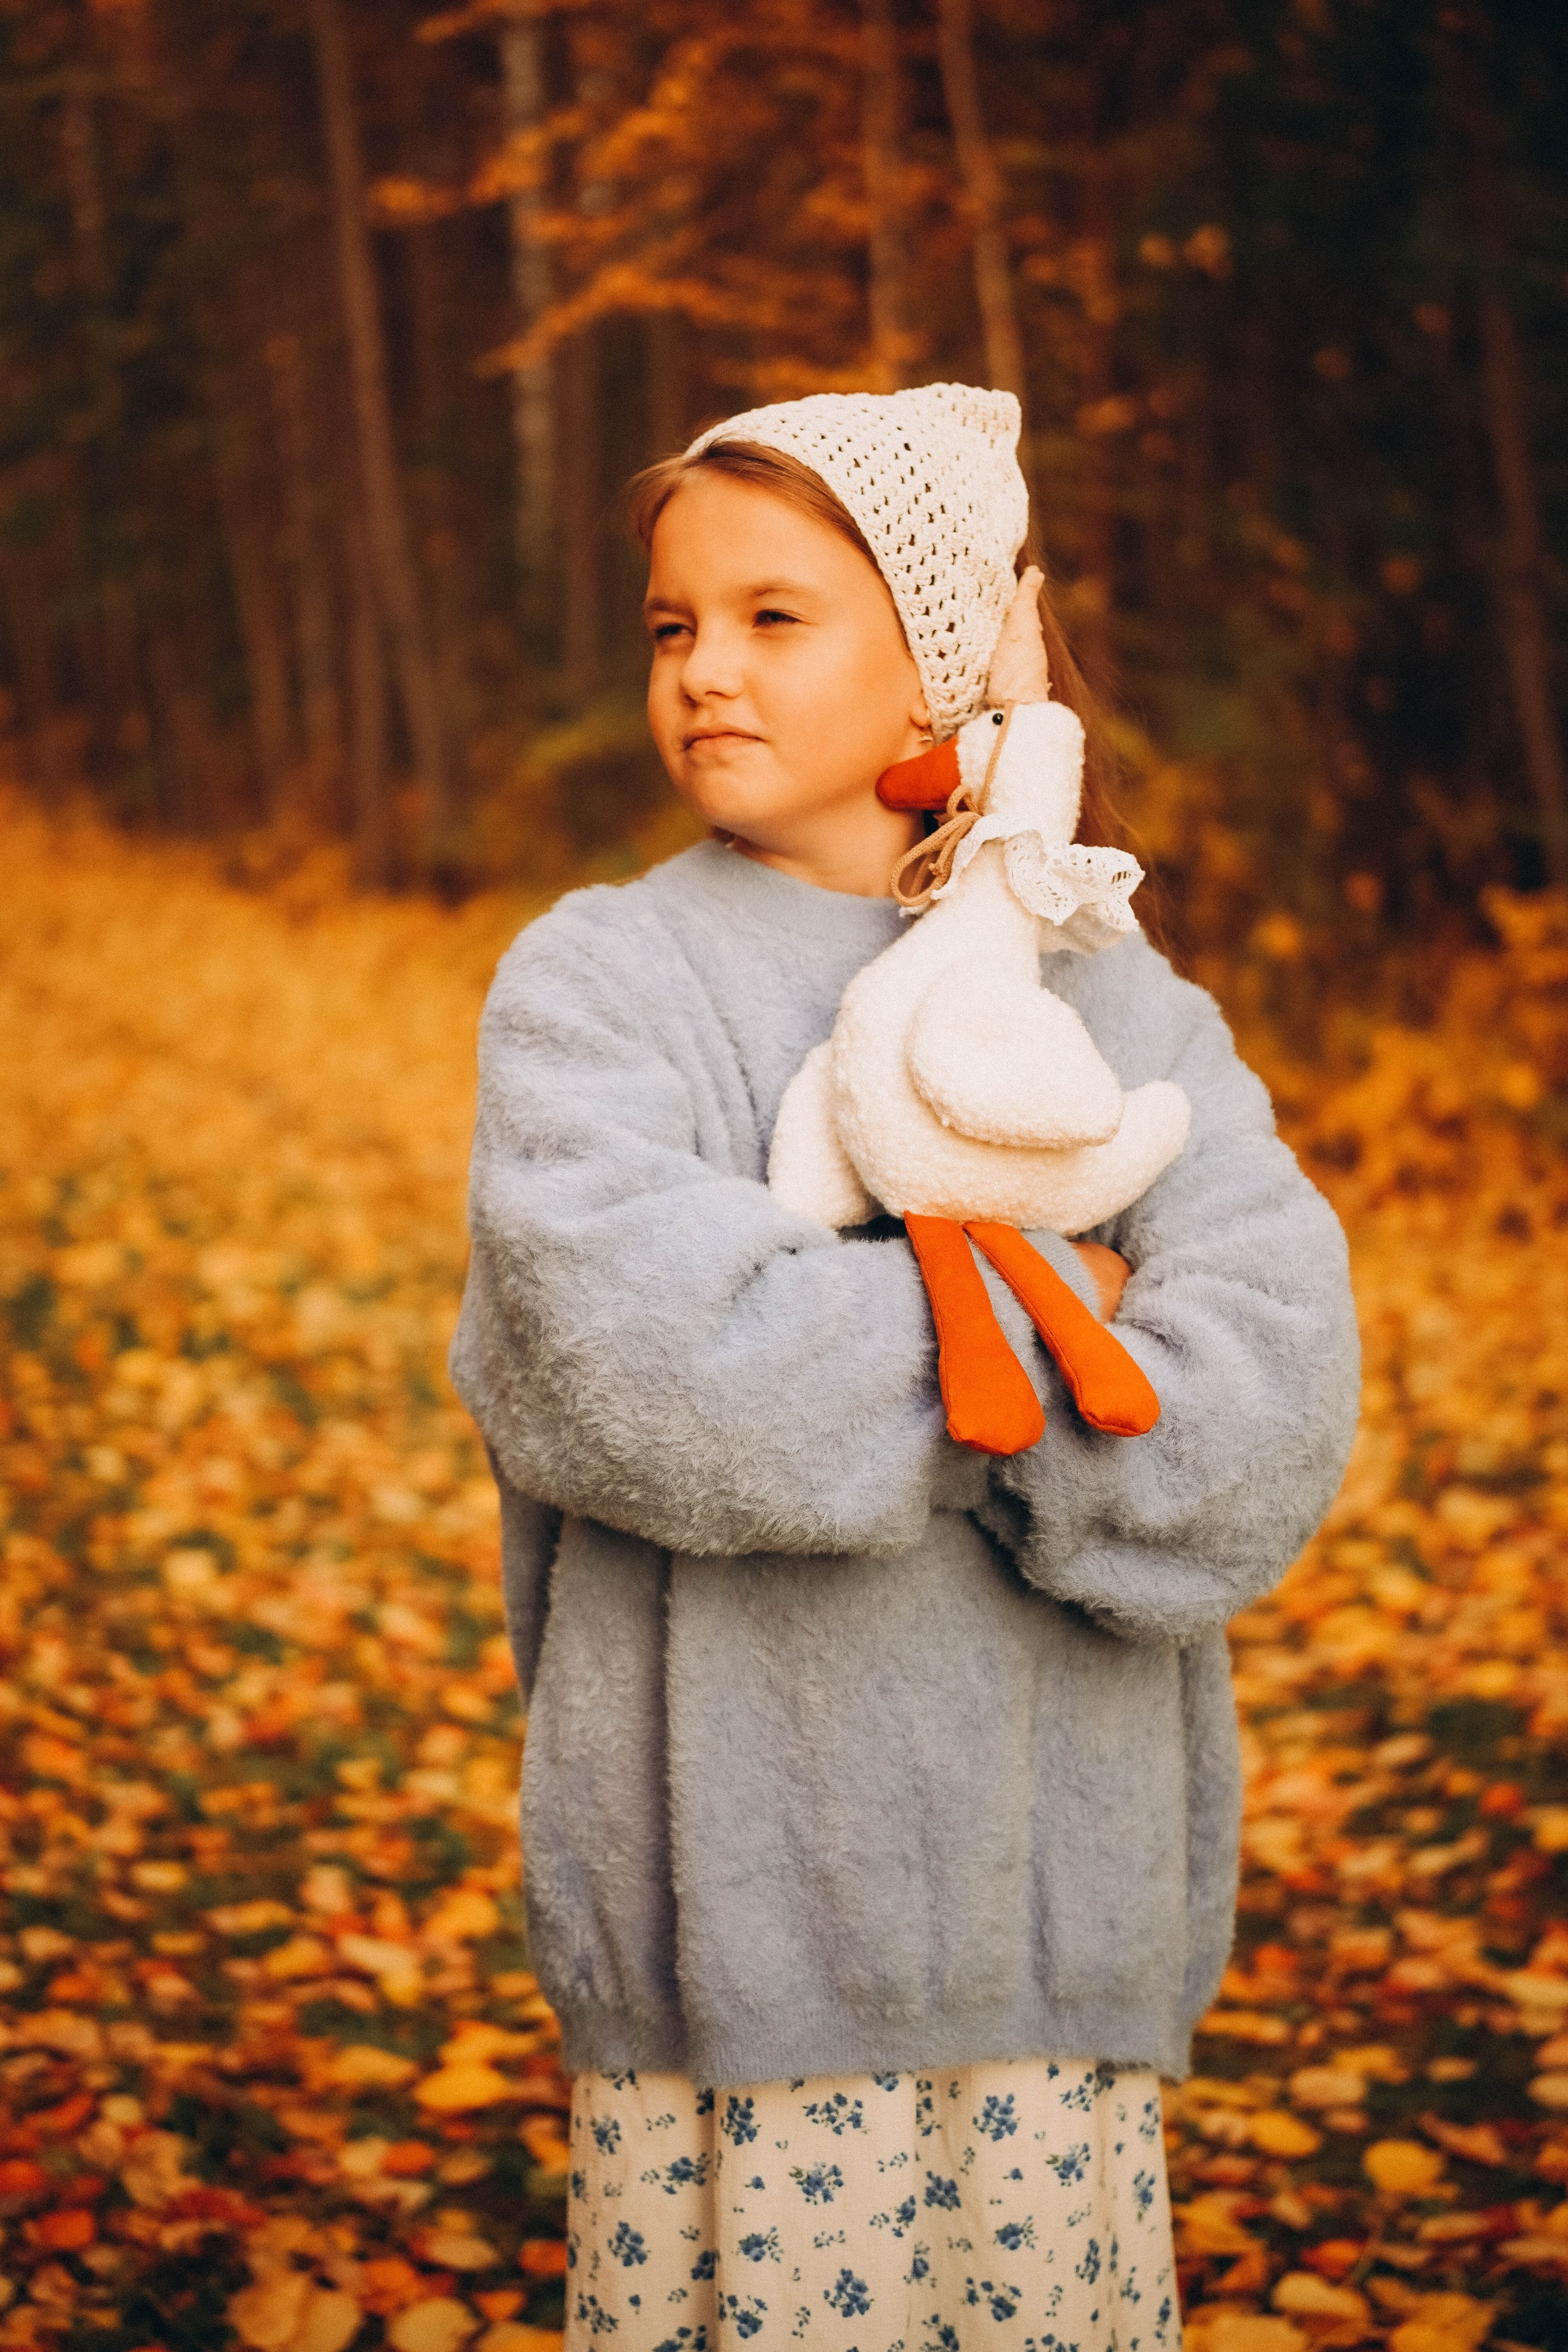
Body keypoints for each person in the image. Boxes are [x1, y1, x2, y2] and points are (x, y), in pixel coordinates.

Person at [450, 383, 1360, 2351]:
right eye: (674, 627)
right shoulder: (603, 985)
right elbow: (654, 1369)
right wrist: (1076, 1320)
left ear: (937, 656)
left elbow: (1268, 1407)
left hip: (1065, 1946)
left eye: (776, 618)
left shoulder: (1121, 1002)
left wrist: (884, 1308)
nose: (706, 672)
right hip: (734, 1970)